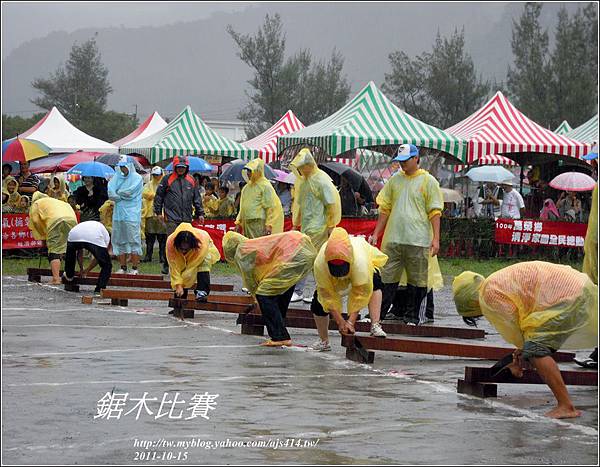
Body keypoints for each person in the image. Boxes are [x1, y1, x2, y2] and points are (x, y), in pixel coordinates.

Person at [452, 261, 597, 419]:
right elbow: (525, 324)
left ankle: (566, 406)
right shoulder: (496, 282)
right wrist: (521, 352)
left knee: (536, 350)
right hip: (578, 287)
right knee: (537, 345)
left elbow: (515, 327)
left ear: (471, 303)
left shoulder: (489, 294)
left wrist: (520, 358)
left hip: (566, 296)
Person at [369, 144, 443, 326]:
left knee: (417, 280)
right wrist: (377, 233)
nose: (403, 165)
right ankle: (379, 315)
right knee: (386, 278)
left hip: (418, 240)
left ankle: (413, 316)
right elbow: (385, 207)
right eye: (400, 161)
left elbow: (435, 212)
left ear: (416, 158)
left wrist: (435, 238)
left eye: (406, 161)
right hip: (394, 238)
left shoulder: (428, 181)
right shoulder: (395, 180)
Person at [223, 230, 317, 347]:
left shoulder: (242, 252)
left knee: (264, 294)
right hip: (302, 249)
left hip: (293, 254)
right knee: (282, 288)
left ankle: (280, 337)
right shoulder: (254, 244)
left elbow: (250, 280)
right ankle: (280, 327)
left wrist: (257, 298)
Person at [311, 227, 389, 352]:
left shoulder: (360, 262)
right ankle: (324, 341)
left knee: (375, 282)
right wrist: (340, 321)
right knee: (317, 302)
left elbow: (361, 293)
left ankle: (375, 324)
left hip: (360, 270)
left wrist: (351, 322)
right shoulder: (319, 263)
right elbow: (327, 295)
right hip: (330, 280)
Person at [289, 148, 342, 303]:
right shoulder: (304, 183)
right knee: (306, 259)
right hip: (307, 228)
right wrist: (295, 224)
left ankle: (318, 292)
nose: (298, 170)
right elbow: (300, 206)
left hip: (319, 228)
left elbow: (331, 203)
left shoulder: (321, 180)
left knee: (315, 261)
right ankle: (304, 291)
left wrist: (331, 225)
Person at [153, 155, 204, 275]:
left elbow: (196, 198)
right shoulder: (167, 179)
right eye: (178, 167)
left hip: (186, 217)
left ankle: (184, 264)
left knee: (187, 241)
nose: (181, 169)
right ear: (175, 167)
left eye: (183, 167)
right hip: (171, 217)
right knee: (171, 241)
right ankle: (167, 264)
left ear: (187, 167)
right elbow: (159, 197)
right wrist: (158, 212)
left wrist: (200, 213)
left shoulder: (191, 180)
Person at [28, 192, 78, 284]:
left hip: (54, 221)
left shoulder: (36, 203)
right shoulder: (57, 201)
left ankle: (56, 278)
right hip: (72, 220)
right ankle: (69, 276)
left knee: (54, 249)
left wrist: (43, 235)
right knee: (69, 248)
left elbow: (35, 221)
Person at [166, 223, 220, 302]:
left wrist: (182, 282)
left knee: (204, 264)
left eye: (186, 249)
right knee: (180, 269)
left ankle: (202, 292)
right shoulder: (170, 243)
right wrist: (178, 285)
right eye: (182, 248)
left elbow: (191, 268)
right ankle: (180, 298)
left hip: (203, 250)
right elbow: (174, 267)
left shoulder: (201, 245)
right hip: (183, 250)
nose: (184, 251)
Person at [108, 156, 144, 275]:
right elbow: (111, 193)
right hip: (118, 215)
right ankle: (123, 267)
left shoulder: (137, 178)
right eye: (121, 167)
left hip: (132, 214)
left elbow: (130, 192)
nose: (123, 169)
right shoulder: (116, 177)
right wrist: (119, 194)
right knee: (119, 240)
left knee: (133, 239)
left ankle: (134, 268)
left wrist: (118, 193)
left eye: (124, 166)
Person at [235, 158, 284, 238]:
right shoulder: (246, 188)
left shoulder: (265, 186)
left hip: (259, 223)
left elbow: (271, 206)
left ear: (257, 171)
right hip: (247, 223)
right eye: (247, 171)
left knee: (259, 247)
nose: (248, 173)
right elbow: (242, 206)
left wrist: (269, 224)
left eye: (250, 171)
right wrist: (238, 222)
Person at [62, 221, 112, 295]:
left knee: (71, 256)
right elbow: (99, 259)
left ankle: (69, 276)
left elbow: (79, 252)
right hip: (92, 237)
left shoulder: (88, 225)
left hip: (74, 235)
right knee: (107, 265)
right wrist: (86, 270)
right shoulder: (106, 236)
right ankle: (99, 289)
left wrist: (83, 269)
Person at [141, 166, 167, 264]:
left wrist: (155, 196)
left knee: (162, 236)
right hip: (150, 213)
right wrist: (156, 196)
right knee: (150, 236)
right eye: (154, 175)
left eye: (158, 175)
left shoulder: (165, 184)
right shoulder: (148, 185)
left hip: (162, 213)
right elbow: (144, 193)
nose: (156, 177)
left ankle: (162, 256)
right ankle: (148, 256)